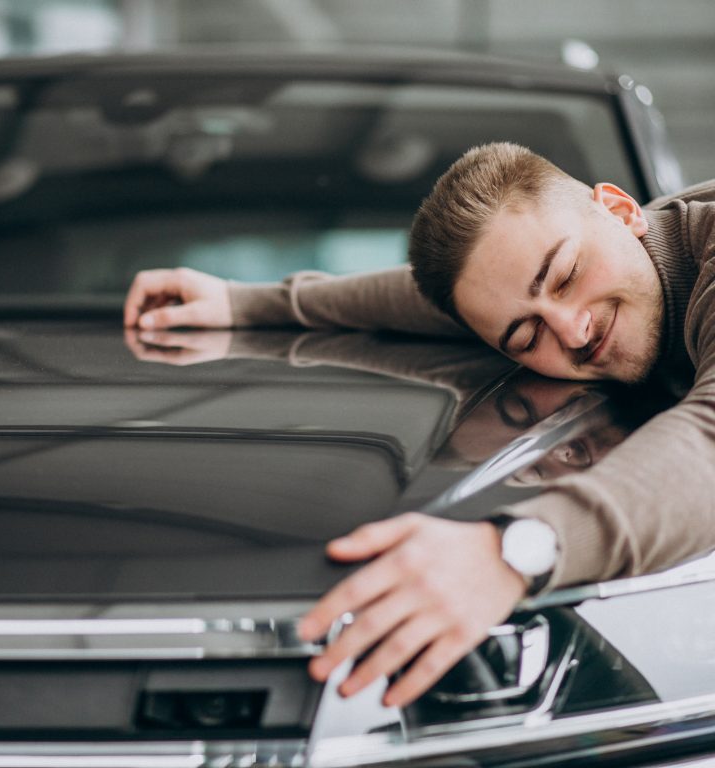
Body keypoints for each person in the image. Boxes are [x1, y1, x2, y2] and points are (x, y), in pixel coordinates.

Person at [123, 142, 715, 707]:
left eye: (564, 276)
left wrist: (511, 551)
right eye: (526, 336)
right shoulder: (612, 257)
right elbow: (427, 299)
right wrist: (244, 304)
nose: (573, 331)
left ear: (621, 210)